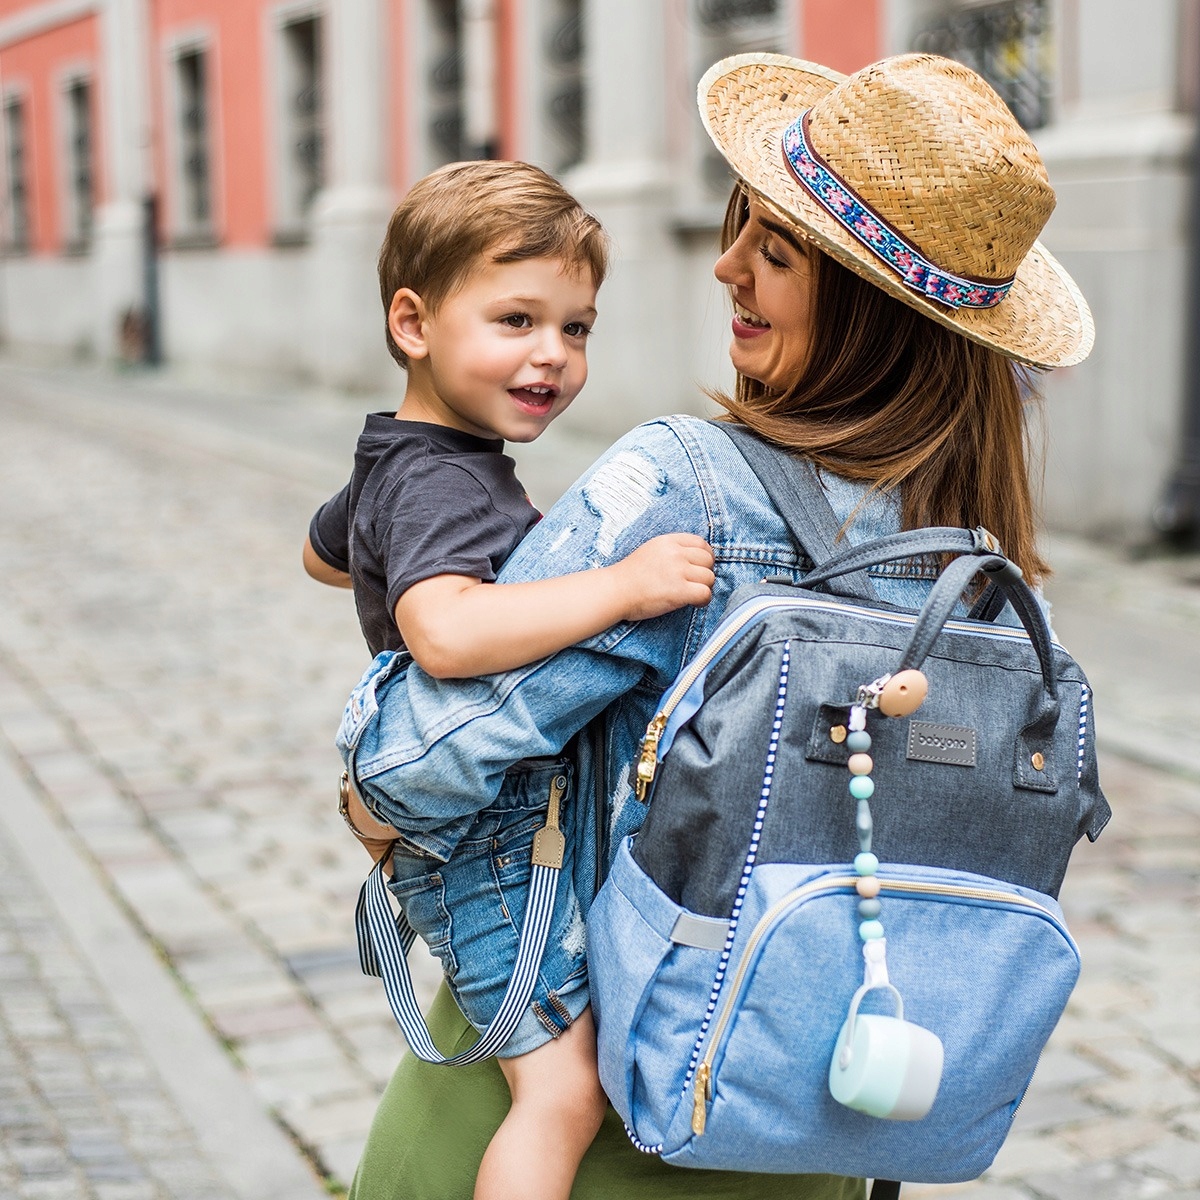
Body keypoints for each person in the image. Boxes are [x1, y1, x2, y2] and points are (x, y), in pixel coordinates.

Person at [335, 51, 1093, 1200]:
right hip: (811, 1118)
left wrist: (366, 792)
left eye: (773, 252)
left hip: (581, 1107)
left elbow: (416, 765)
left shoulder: (679, 486)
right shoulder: (970, 556)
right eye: (740, 227)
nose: (727, 266)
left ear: (864, 307)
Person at [303, 159, 715, 1200]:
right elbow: (445, 633)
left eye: (575, 328)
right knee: (562, 1091)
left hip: (494, 822)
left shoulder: (405, 456)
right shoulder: (440, 477)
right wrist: (619, 587)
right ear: (413, 322)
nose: (552, 355)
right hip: (480, 846)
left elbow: (322, 551)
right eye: (518, 320)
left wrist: (376, 544)